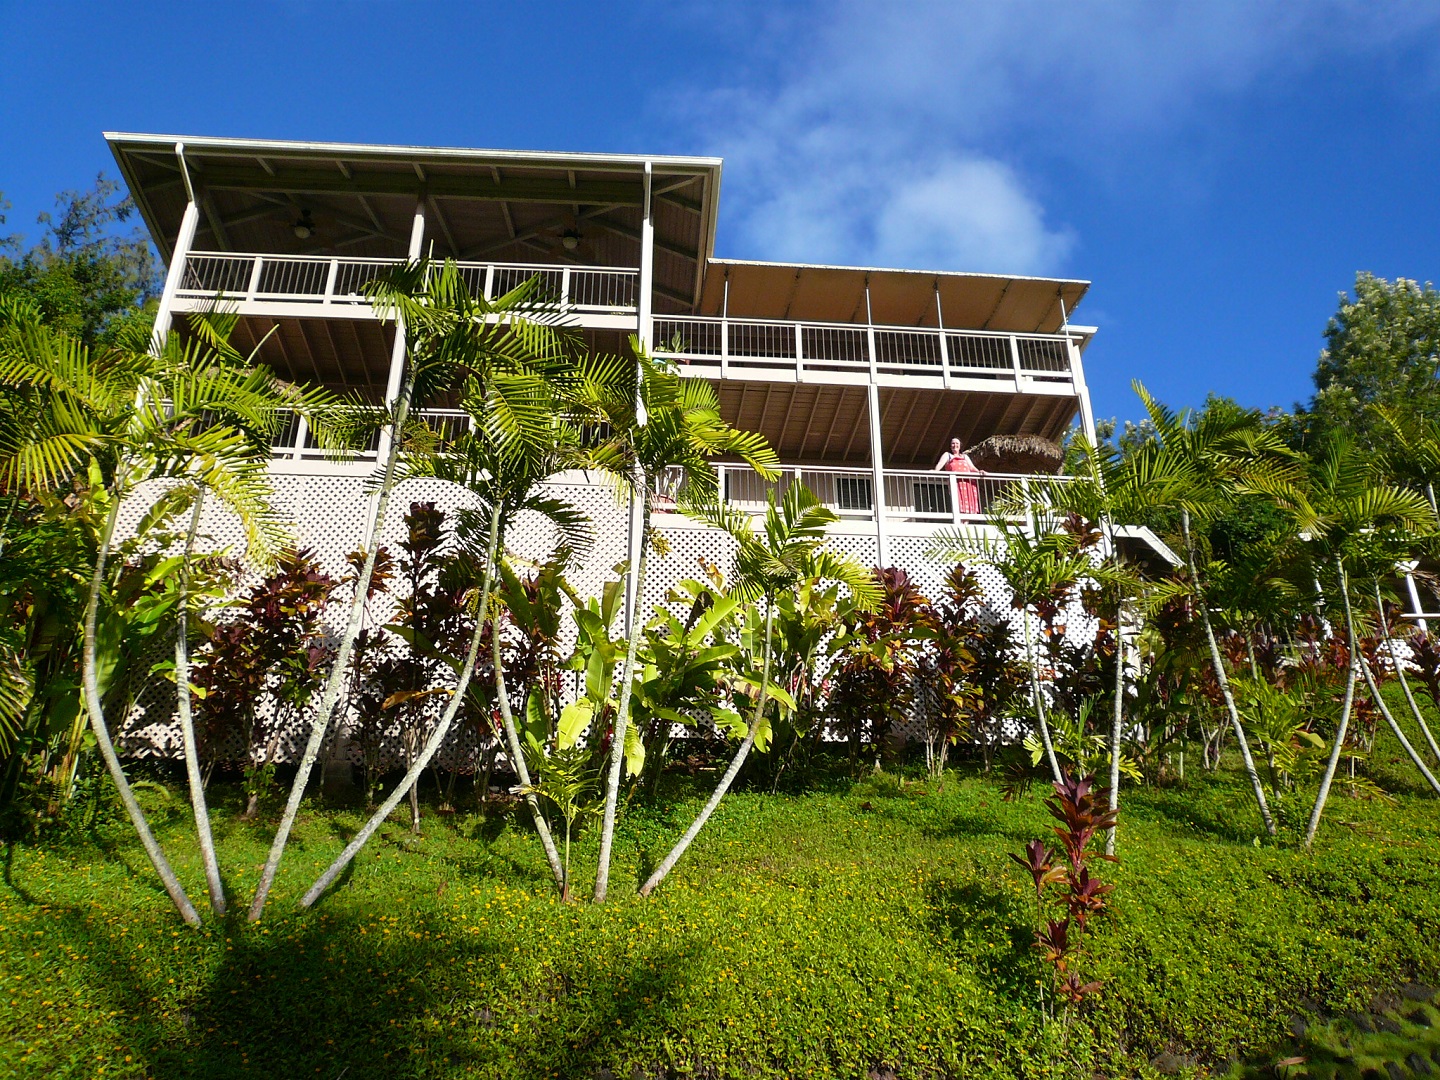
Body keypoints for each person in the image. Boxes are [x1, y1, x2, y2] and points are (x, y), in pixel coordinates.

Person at [934, 437, 982, 515]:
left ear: (960, 446)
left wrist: (979, 471)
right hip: (956, 483)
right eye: (953, 443)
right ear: (950, 446)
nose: (955, 445)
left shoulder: (965, 456)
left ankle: (965, 524)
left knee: (969, 505)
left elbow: (972, 468)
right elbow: (939, 465)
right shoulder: (948, 455)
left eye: (957, 443)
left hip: (968, 483)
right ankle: (960, 523)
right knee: (959, 503)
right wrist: (935, 471)